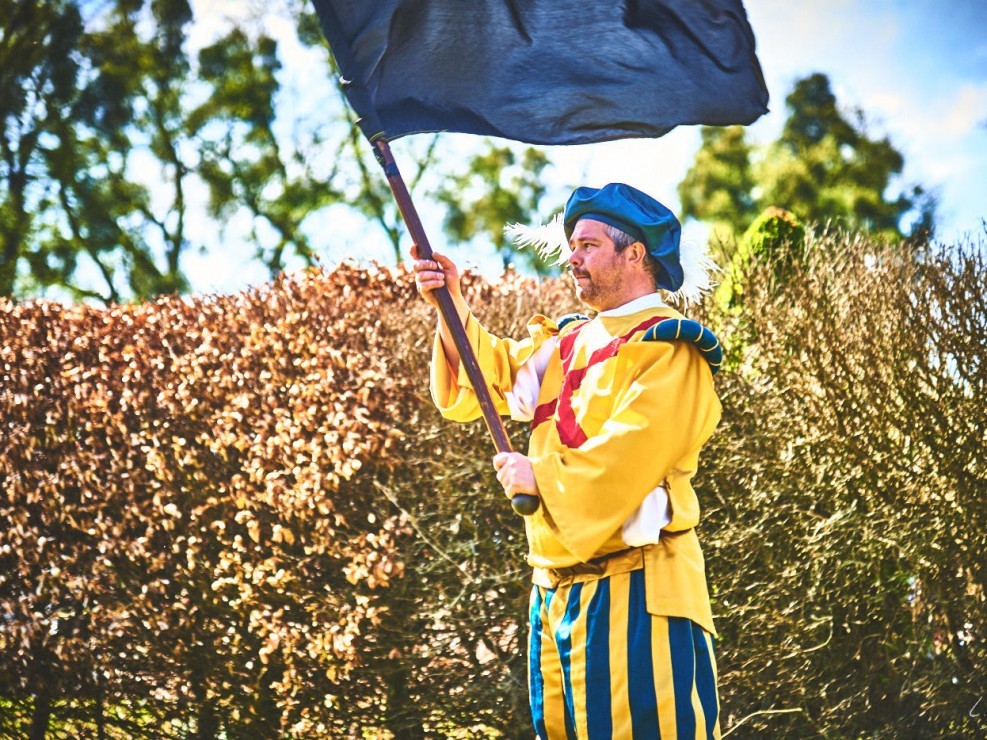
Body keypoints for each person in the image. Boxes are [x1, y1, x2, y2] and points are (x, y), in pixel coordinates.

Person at [412, 183, 723, 739]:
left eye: (587, 244)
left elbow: (634, 451)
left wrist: (542, 478)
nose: (571, 257)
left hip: (641, 591)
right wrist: (450, 304)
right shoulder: (563, 343)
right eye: (571, 245)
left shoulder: (672, 350)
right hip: (553, 596)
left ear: (635, 255)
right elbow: (482, 376)